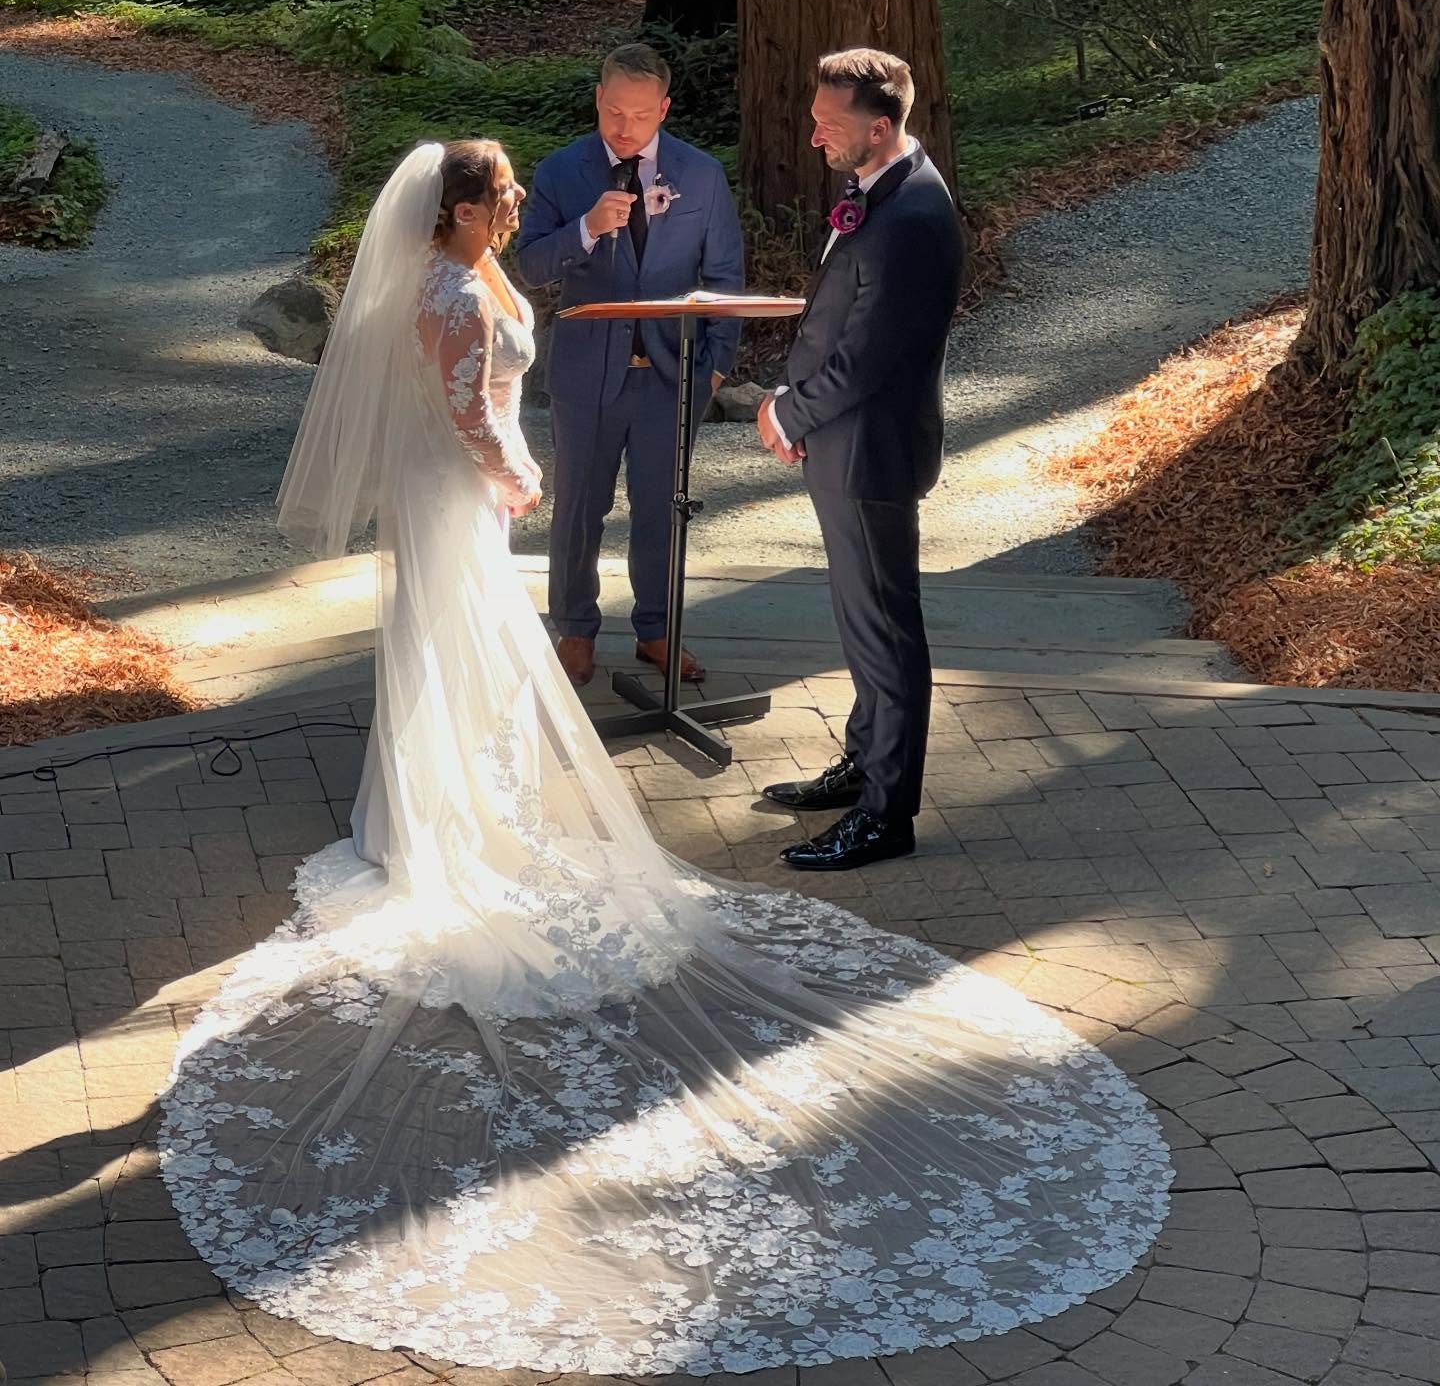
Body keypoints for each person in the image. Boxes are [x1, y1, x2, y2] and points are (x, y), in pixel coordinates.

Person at [158, 137, 1168, 1380]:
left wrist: (498, 450)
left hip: (450, 495)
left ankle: (440, 806)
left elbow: (474, 380)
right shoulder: (455, 289)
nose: (525, 203)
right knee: (464, 649)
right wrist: (519, 468)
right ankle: (444, 817)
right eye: (507, 195)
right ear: (462, 209)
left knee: (455, 653)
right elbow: (470, 405)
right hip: (460, 490)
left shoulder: (459, 273)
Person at [759, 49, 966, 872]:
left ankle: (888, 812)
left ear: (880, 128)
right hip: (842, 442)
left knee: (886, 628)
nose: (814, 136)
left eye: (828, 124)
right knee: (858, 620)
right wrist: (796, 398)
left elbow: (870, 356)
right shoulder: (877, 189)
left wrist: (787, 413)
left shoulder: (913, 215)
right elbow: (839, 319)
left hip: (870, 451)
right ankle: (864, 759)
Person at [515, 43, 745, 689]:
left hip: (673, 380)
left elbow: (725, 276)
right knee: (579, 508)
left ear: (664, 109)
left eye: (640, 116)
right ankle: (575, 630)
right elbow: (529, 265)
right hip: (588, 372)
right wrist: (585, 228)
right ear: (598, 98)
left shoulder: (700, 176)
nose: (624, 128)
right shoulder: (563, 173)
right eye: (614, 111)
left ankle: (657, 631)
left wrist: (716, 371)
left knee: (661, 508)